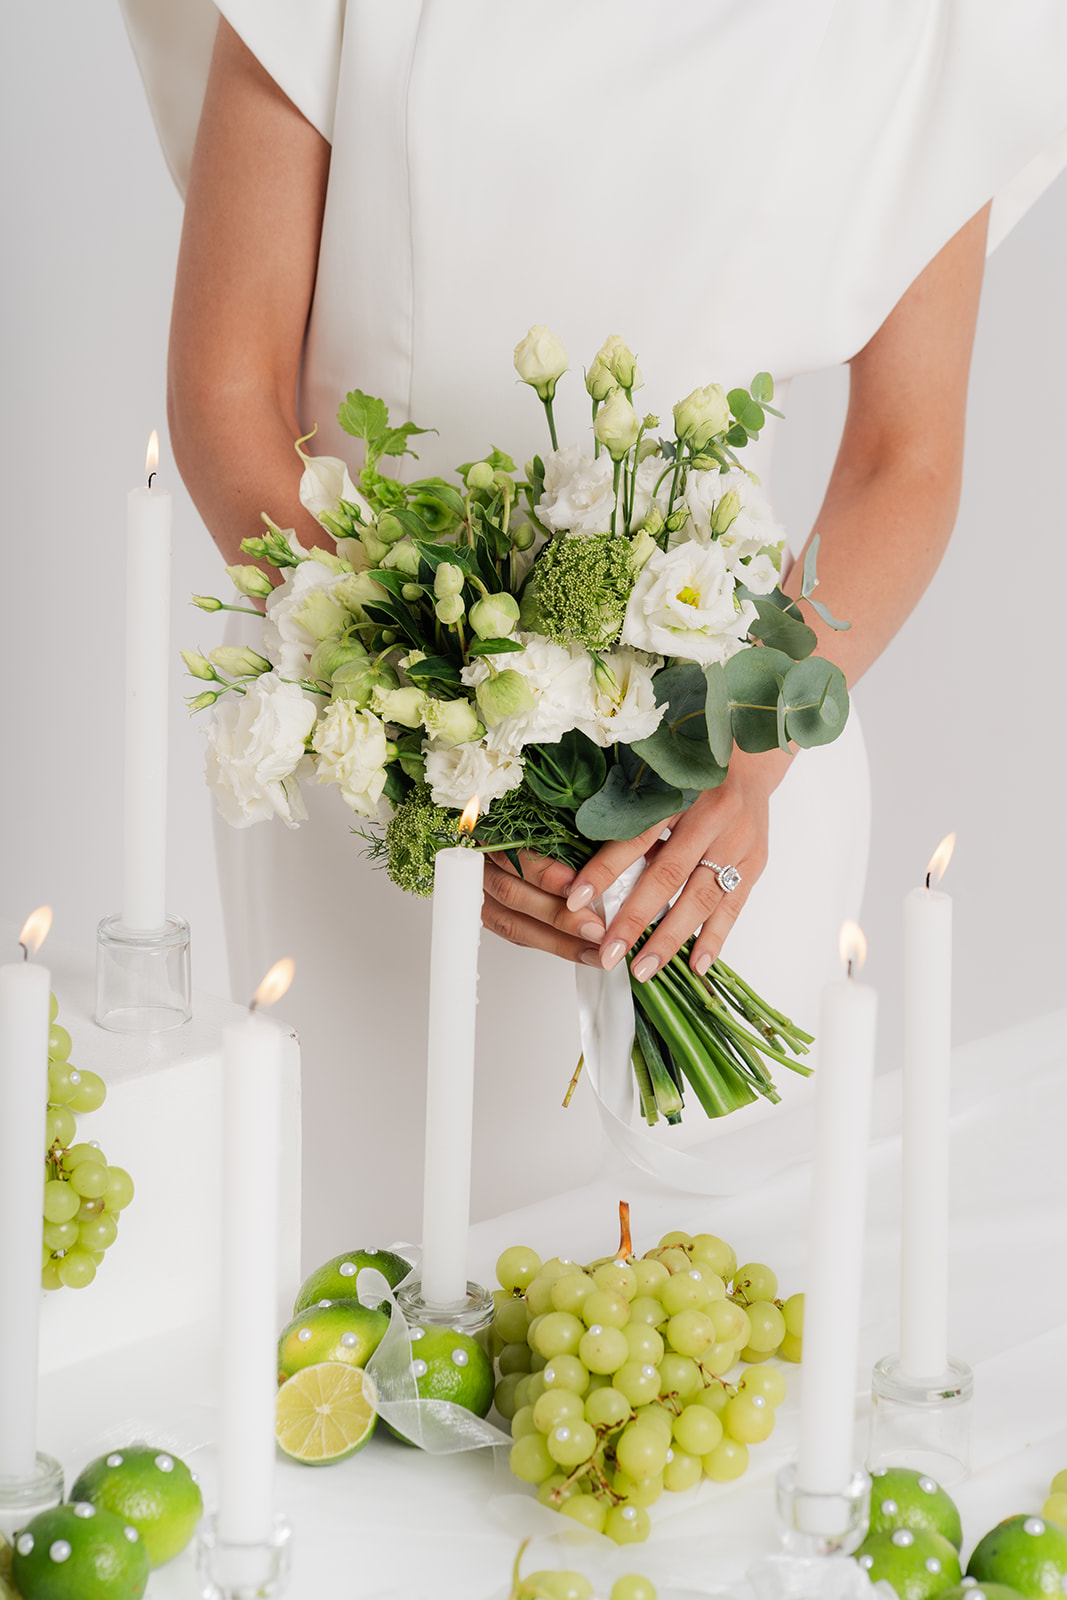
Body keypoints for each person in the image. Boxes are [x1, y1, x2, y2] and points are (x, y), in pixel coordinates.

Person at [121, 0, 1067, 1262]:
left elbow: (905, 457)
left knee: (710, 1344)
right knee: (360, 1314)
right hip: (374, 786)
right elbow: (228, 392)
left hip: (722, 798)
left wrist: (747, 747)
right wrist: (424, 734)